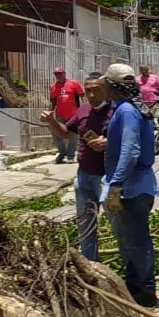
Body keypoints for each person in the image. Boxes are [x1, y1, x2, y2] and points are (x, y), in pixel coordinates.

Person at [100, 63, 159, 307]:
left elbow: (130, 150)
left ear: (112, 86)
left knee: (136, 238)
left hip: (131, 186)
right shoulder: (134, 108)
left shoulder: (126, 111)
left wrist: (116, 185)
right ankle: (134, 284)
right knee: (129, 238)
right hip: (138, 183)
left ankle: (145, 289)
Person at [41, 73, 111, 261]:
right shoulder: (83, 111)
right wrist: (52, 121)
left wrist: (108, 142)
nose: (92, 94)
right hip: (84, 176)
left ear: (106, 90)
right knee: (85, 224)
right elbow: (65, 134)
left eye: (96, 90)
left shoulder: (117, 111)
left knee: (116, 223)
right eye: (88, 91)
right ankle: (91, 265)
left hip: (107, 178)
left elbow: (130, 140)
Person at [49, 67, 84, 164]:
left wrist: (84, 109)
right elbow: (53, 101)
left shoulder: (74, 83)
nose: (58, 75)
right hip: (60, 115)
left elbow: (82, 96)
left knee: (73, 136)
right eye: (56, 74)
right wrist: (49, 113)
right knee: (56, 134)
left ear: (64, 73)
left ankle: (70, 156)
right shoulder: (53, 87)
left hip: (73, 114)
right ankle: (62, 152)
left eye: (60, 73)